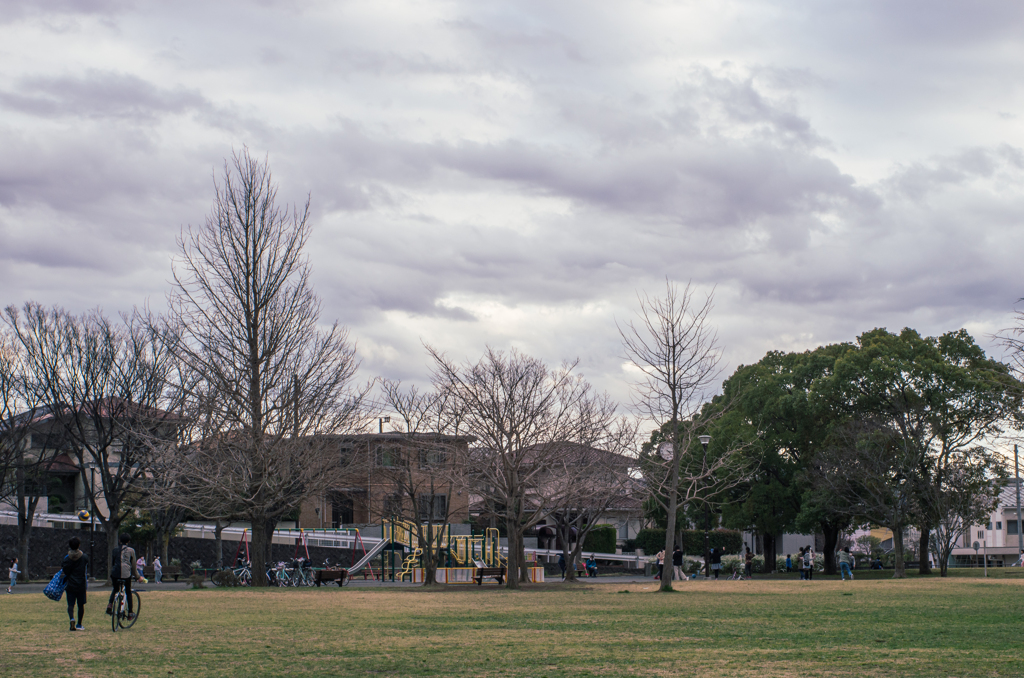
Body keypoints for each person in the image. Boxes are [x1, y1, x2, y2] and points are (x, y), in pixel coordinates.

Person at [106, 533, 144, 618]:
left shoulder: (115, 550)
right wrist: (138, 577)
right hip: (126, 573)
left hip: (115, 573)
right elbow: (133, 566)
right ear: (129, 541)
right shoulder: (131, 550)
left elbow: (113, 563)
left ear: (119, 540)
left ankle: (110, 604)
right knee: (128, 591)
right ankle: (130, 612)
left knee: (115, 589)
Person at [62, 536, 90, 631]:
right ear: (79, 545)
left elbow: (65, 570)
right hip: (81, 584)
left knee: (70, 604)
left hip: (70, 584)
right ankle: (79, 624)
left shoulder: (67, 558)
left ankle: (71, 618)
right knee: (80, 605)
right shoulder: (84, 557)